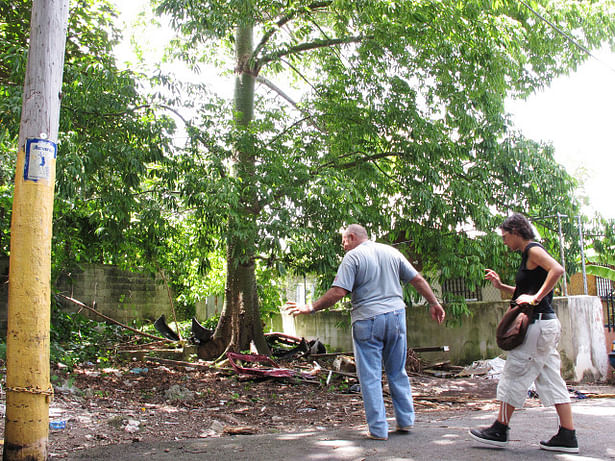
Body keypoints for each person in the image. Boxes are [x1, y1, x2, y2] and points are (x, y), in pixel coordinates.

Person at [285, 224, 445, 440]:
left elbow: (338, 292)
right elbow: (417, 279)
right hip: (396, 316)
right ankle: (405, 421)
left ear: (351, 237)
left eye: (343, 241)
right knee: (397, 370)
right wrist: (434, 303)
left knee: (370, 376)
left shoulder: (353, 257)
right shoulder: (391, 252)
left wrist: (310, 307)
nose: (342, 246)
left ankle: (379, 430)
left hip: (368, 320)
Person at [469, 213, 578, 453]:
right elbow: (523, 293)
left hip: (537, 325)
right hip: (545, 326)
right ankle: (567, 435)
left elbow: (557, 270)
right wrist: (500, 287)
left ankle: (499, 429)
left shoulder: (532, 250)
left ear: (517, 232)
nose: (504, 241)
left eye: (506, 236)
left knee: (514, 372)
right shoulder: (527, 255)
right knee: (550, 378)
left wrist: (536, 298)